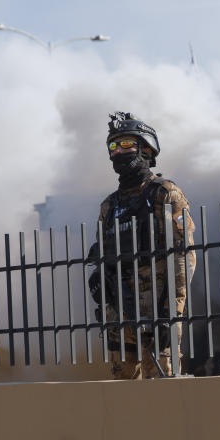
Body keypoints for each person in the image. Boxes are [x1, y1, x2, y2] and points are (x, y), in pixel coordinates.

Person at [89, 111, 195, 379]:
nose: (119, 151)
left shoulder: (164, 193)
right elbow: (103, 255)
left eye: (126, 144)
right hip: (119, 316)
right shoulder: (109, 206)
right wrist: (98, 278)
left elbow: (183, 257)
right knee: (123, 395)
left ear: (147, 148)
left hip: (157, 310)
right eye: (113, 146)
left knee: (163, 389)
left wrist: (171, 312)